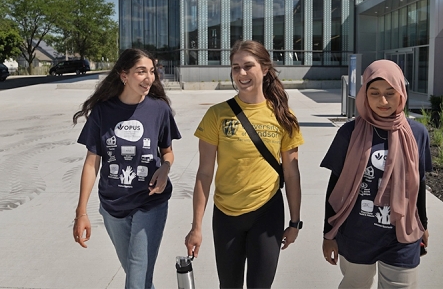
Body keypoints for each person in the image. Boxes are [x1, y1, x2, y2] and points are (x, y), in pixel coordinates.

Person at [185, 40, 304, 289]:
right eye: (235, 67)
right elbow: (204, 174)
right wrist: (196, 227)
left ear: (265, 69)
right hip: (226, 215)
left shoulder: (282, 116)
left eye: (248, 66)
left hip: (267, 212)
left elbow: (292, 175)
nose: (241, 74)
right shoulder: (217, 115)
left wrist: (294, 222)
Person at [72, 48, 181, 289]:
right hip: (112, 206)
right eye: (141, 72)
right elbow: (92, 163)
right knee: (139, 277)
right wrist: (81, 213)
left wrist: (165, 167)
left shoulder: (159, 109)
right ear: (124, 75)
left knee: (136, 281)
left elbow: (168, 152)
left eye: (151, 71)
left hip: (150, 201)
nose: (149, 78)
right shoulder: (102, 111)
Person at [321, 59, 432, 289]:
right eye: (374, 93)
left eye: (390, 93)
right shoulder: (349, 132)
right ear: (364, 95)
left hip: (401, 236)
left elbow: (418, 184)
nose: (383, 101)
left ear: (402, 93)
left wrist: (423, 224)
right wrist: (328, 234)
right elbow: (335, 186)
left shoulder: (417, 133)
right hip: (357, 233)